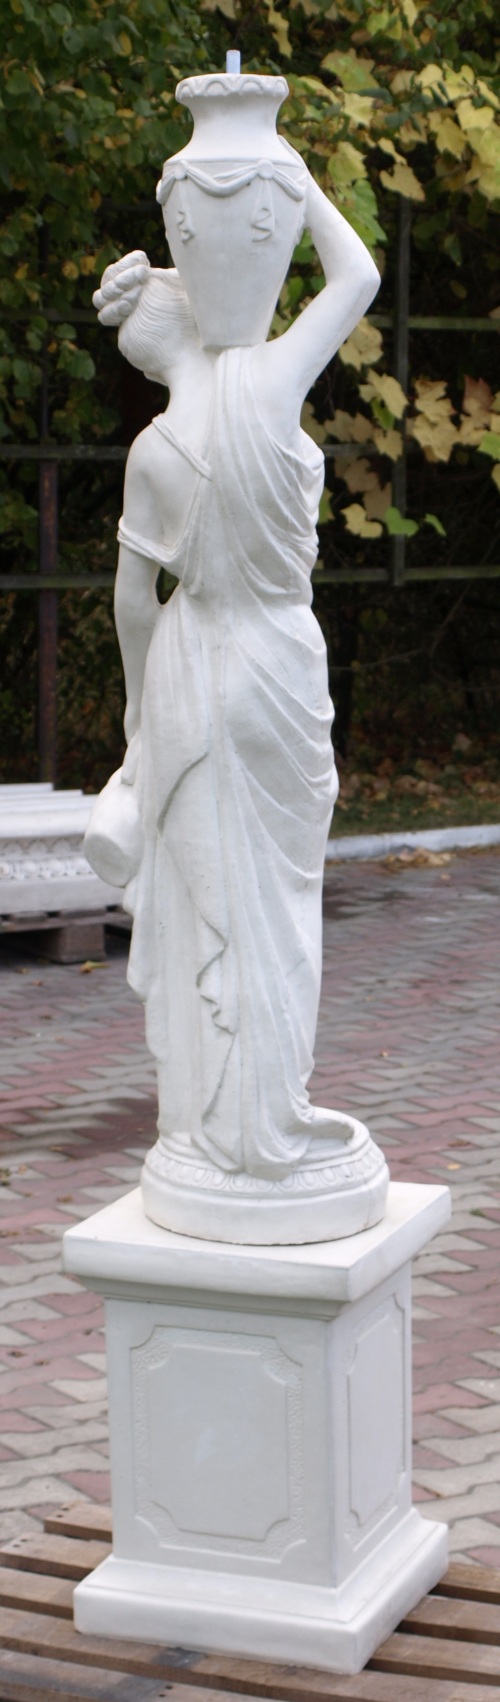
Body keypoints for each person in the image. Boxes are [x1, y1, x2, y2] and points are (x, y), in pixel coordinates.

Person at [90, 178, 380, 1182]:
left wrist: (139, 717)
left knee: (209, 901)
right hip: (282, 663)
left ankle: (217, 1126)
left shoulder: (153, 450)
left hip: (194, 666)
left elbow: (134, 603)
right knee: (281, 905)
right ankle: (270, 1115)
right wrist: (294, 178)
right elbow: (356, 276)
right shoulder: (268, 381)